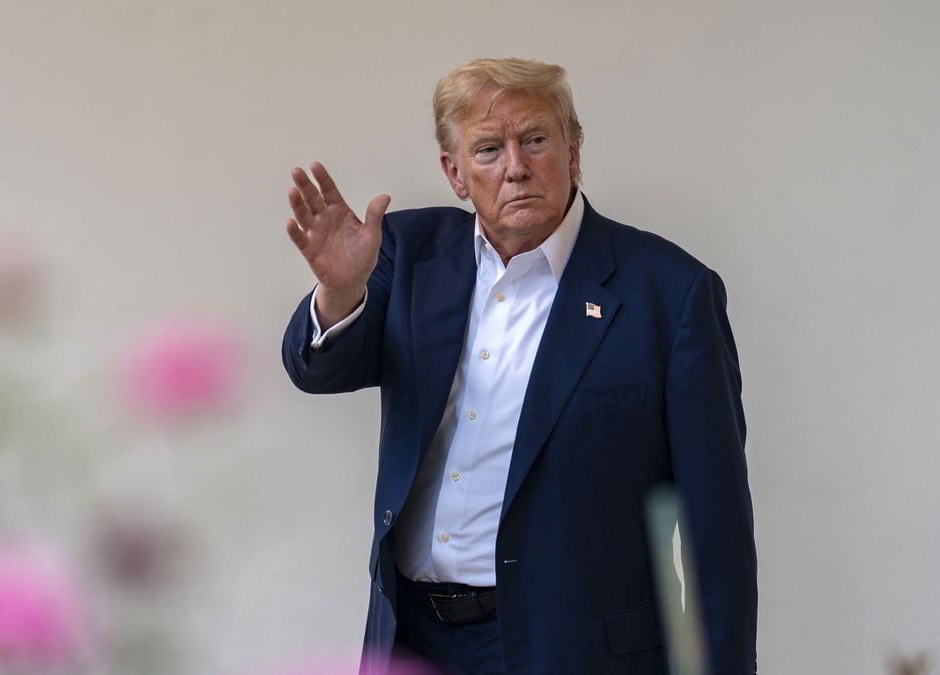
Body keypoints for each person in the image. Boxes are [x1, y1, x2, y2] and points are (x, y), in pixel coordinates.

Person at [281, 58, 756, 675]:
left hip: (575, 647)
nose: (516, 166)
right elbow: (317, 369)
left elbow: (714, 521)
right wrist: (341, 292)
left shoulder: (669, 293)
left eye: (535, 140)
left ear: (574, 152)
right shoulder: (409, 254)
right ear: (454, 173)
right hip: (412, 637)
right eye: (487, 149)